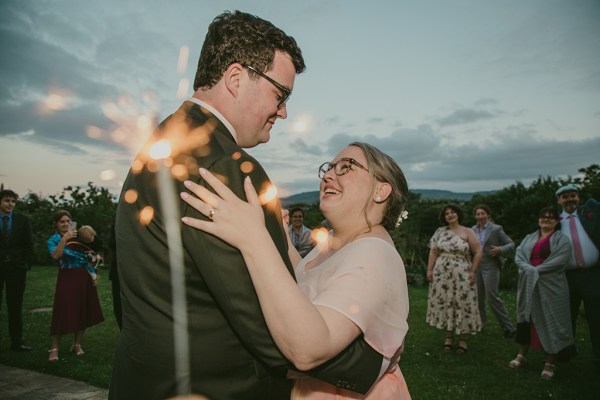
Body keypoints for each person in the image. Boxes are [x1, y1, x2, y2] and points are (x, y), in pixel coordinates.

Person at [111, 11, 384, 400]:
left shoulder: (162, 143)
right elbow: (265, 318)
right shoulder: (225, 167)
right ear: (237, 78)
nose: (284, 111)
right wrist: (373, 363)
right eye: (280, 94)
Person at [181, 142, 411, 399]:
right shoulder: (337, 241)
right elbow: (306, 277)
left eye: (347, 167)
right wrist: (278, 232)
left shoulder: (373, 254)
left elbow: (308, 349)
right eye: (329, 168)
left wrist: (253, 239)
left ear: (381, 190)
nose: (328, 176)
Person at [509, 206, 575, 379]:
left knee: (551, 318)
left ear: (556, 221)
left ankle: (550, 361)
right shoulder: (529, 238)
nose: (546, 219)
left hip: (551, 284)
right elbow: (519, 255)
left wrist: (536, 270)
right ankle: (521, 354)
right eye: (543, 217)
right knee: (527, 317)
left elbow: (560, 260)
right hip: (529, 284)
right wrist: (529, 270)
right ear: (538, 220)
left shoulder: (562, 240)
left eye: (550, 217)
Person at [47, 210, 104, 362]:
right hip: (67, 276)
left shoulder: (79, 237)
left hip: (84, 276)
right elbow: (55, 256)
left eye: (68, 221)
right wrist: (64, 239)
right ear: (56, 224)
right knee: (62, 310)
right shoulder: (53, 239)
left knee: (82, 309)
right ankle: (54, 348)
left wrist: (94, 271)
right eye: (62, 222)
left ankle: (77, 344)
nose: (65, 224)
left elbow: (94, 252)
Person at [426, 204, 482, 353]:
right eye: (447, 214)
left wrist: (473, 271)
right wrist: (430, 270)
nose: (450, 215)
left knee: (462, 302)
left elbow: (478, 252)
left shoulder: (467, 231)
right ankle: (448, 336)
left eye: (453, 212)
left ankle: (463, 339)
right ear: (444, 218)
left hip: (462, 271)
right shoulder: (440, 232)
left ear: (458, 214)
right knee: (447, 302)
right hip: (442, 273)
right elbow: (433, 251)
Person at [555, 184, 600, 368]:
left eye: (573, 195)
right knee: (566, 315)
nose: (569, 199)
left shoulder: (590, 215)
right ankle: (565, 352)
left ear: (578, 197)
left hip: (592, 274)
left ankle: (599, 355)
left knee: (596, 315)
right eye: (565, 197)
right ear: (559, 201)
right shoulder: (556, 222)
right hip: (567, 276)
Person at [471, 204, 516, 338]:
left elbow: (511, 244)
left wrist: (500, 250)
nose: (480, 216)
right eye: (478, 214)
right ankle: (481, 324)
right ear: (475, 216)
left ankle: (508, 327)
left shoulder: (496, 229)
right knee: (478, 298)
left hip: (490, 266)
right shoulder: (472, 230)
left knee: (492, 297)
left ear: (488, 215)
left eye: (482, 213)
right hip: (476, 266)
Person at [0, 189, 33, 352]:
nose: (10, 204)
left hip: (16, 269)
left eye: (13, 201)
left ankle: (16, 342)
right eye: (7, 200)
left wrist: (25, 264)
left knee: (15, 306)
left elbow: (28, 244)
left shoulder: (22, 220)